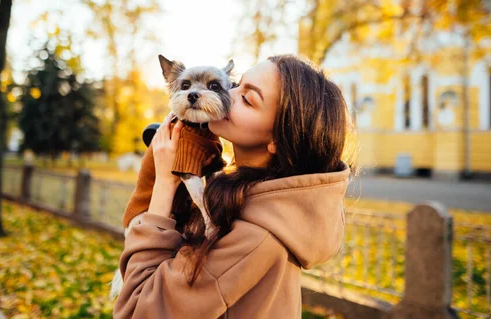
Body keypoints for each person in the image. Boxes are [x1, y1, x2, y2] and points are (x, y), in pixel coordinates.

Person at [113, 55, 355, 318]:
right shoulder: (246, 195)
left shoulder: (253, 236)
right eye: (237, 85)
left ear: (277, 137)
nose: (229, 93)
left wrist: (164, 182)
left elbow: (138, 310)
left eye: (247, 98)